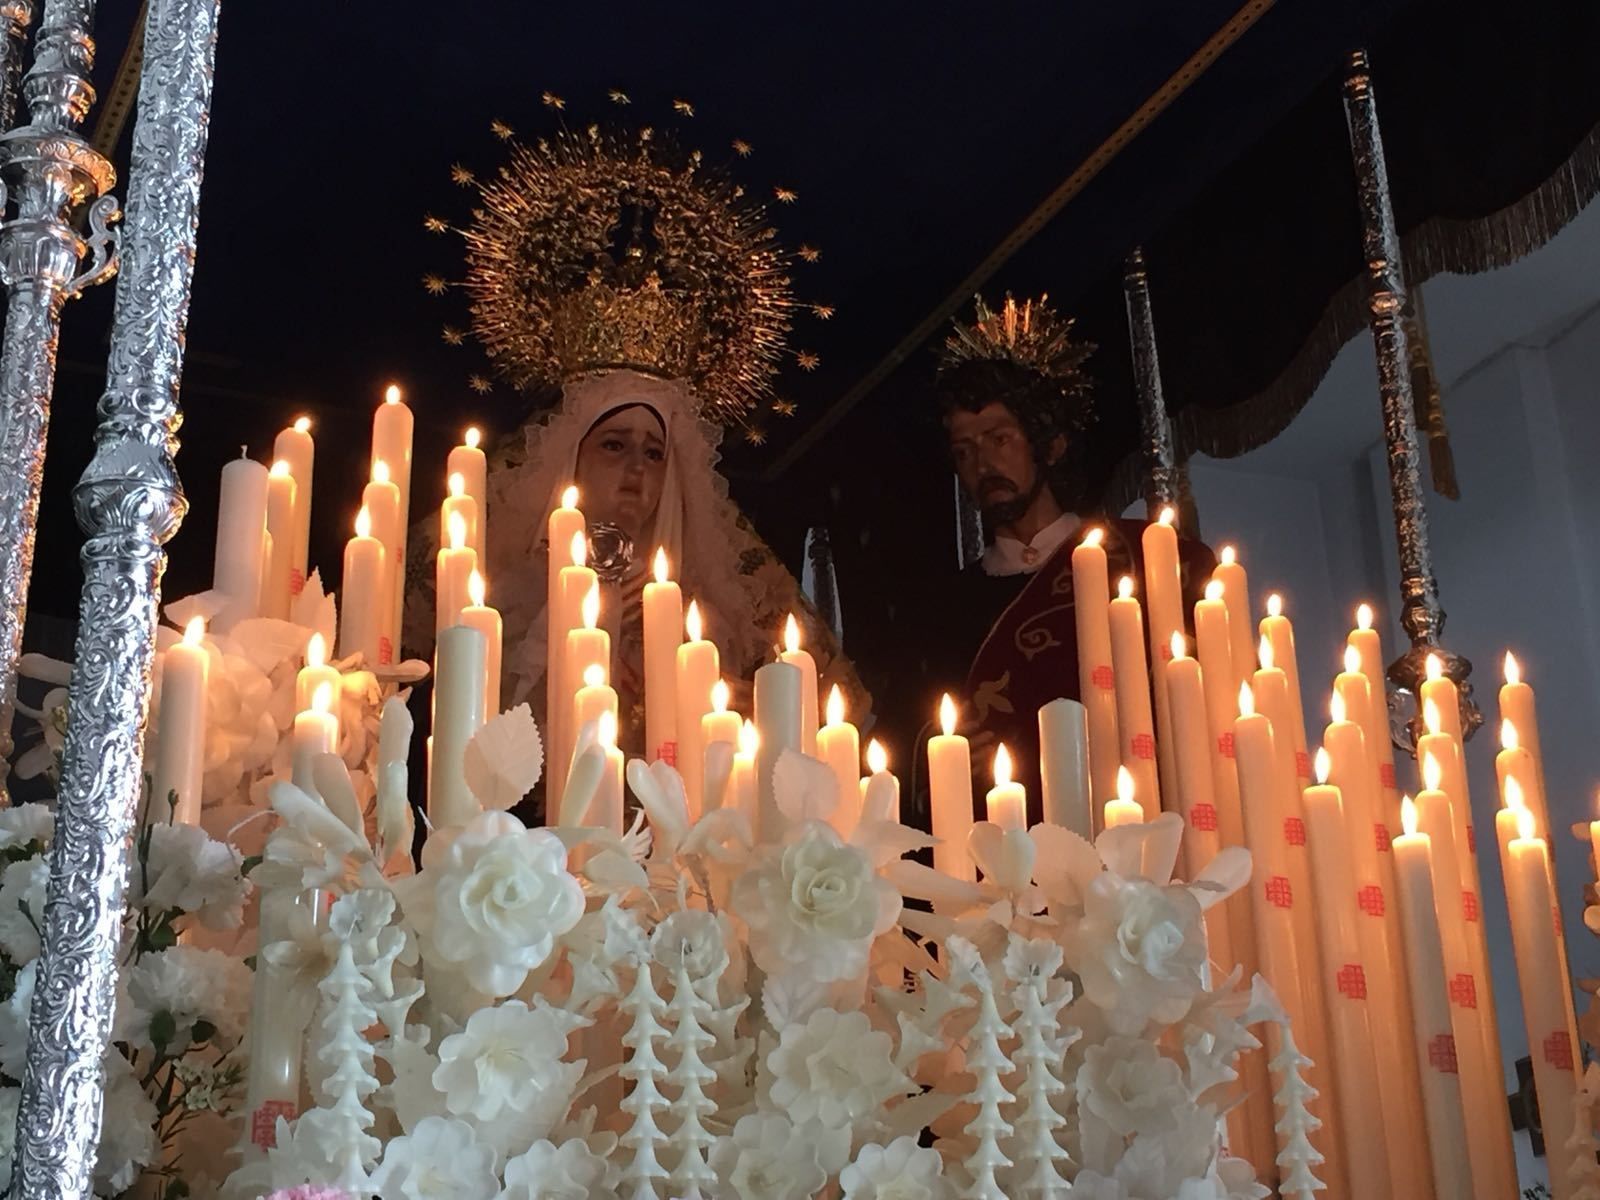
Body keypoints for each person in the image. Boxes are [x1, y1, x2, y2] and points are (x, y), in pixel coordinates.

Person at [403, 108, 864, 797]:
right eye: (615, 445)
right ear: (570, 460)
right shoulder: (499, 599)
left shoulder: (706, 611)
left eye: (654, 453)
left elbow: (820, 726)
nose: (637, 470)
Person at [923, 294, 1214, 815]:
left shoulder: (1140, 559)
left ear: (1050, 445)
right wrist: (946, 750)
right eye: (964, 451)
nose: (982, 462)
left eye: (999, 438)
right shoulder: (946, 608)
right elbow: (923, 731)